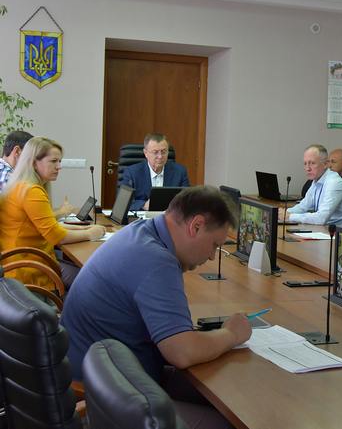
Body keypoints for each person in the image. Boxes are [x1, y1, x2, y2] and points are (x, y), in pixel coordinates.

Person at [61, 186, 252, 429]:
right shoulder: (156, 260)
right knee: (230, 421)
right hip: (107, 393)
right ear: (196, 226)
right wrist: (232, 334)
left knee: (223, 395)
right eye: (214, 245)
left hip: (103, 374)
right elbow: (182, 353)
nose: (213, 256)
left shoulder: (139, 232)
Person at [0, 137, 105, 290]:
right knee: (95, 281)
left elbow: (48, 226)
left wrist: (84, 228)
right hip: (29, 270)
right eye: (53, 161)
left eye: (60, 161)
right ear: (34, 163)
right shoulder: (31, 191)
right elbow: (56, 236)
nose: (59, 167)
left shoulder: (19, 185)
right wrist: (90, 234)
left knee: (86, 274)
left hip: (22, 263)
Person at [280, 144, 342, 227]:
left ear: (325, 164)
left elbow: (321, 218)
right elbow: (303, 206)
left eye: (312, 163)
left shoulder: (334, 183)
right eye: (305, 163)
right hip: (324, 230)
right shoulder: (317, 180)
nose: (307, 168)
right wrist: (283, 214)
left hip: (341, 233)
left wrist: (290, 216)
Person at [120, 133, 190, 211]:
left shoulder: (180, 172)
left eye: (163, 152)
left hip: (169, 216)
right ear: (145, 153)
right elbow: (123, 202)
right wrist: (143, 205)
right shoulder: (132, 173)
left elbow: (187, 200)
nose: (160, 156)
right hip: (142, 216)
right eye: (155, 152)